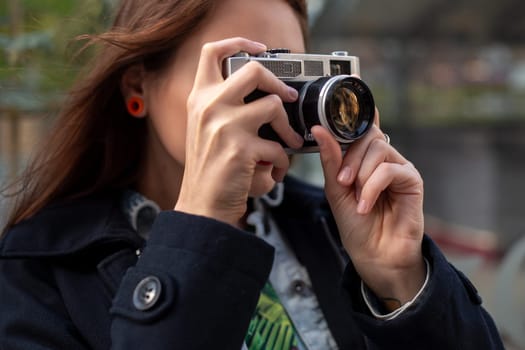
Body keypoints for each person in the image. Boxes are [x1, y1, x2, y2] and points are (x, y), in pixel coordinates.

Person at [0, 0, 504, 349]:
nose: (274, 106)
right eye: (243, 75)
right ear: (139, 85)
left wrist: (400, 279)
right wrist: (203, 229)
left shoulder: (332, 229)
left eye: (292, 78)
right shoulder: (37, 271)